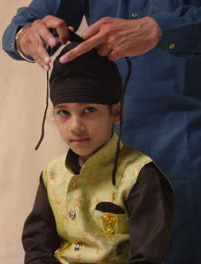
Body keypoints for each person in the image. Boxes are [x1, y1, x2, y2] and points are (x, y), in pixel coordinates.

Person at [3, 1, 201, 263]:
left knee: (193, 245)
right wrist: (26, 35)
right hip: (104, 143)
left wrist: (160, 29)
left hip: (183, 138)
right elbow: (28, 23)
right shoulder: (55, 177)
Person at [22, 41, 174, 264]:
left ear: (115, 112)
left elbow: (148, 257)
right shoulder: (52, 175)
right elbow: (37, 246)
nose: (75, 126)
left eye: (89, 110)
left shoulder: (140, 176)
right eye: (63, 112)